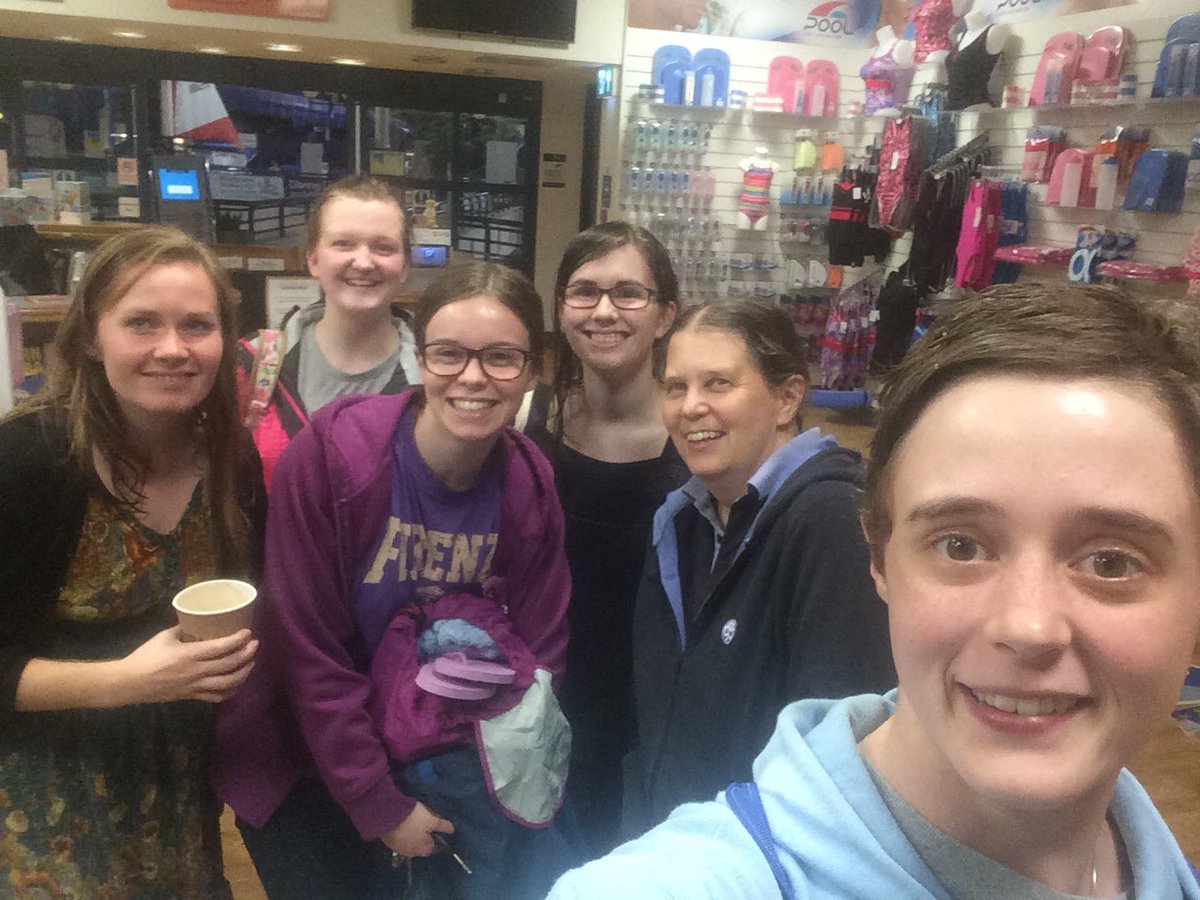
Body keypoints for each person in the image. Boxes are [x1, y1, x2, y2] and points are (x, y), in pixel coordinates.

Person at [548, 284, 1200, 898]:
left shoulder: (1149, 859)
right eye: (961, 545)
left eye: (1111, 561)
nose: (1028, 625)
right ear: (879, 557)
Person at [219, 260, 573, 899]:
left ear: (531, 371)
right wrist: (377, 803)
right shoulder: (335, 456)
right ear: (420, 359)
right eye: (448, 354)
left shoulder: (528, 478)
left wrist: (510, 772)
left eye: (500, 357)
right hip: (307, 760)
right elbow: (308, 651)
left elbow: (541, 649)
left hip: (445, 764)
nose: (473, 377)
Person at [0, 225, 263, 898]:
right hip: (40, 803)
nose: (172, 349)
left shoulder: (233, 464)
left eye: (196, 326)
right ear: (92, 336)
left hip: (181, 795)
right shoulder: (31, 461)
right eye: (141, 323)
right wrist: (124, 681)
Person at [619, 299, 896, 840]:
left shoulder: (830, 521)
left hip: (763, 864)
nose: (690, 407)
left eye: (718, 384)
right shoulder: (679, 522)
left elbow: (837, 745)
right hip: (675, 847)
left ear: (787, 398)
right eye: (676, 388)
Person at [523, 222, 686, 855]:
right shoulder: (527, 418)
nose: (605, 311)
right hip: (544, 697)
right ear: (562, 311)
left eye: (628, 293)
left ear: (665, 314)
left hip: (654, 709)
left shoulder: (698, 433)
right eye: (584, 292)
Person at [238, 174, 419, 491]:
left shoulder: (435, 375)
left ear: (404, 266)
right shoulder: (250, 366)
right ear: (313, 259)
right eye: (343, 243)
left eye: (383, 247)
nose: (363, 262)